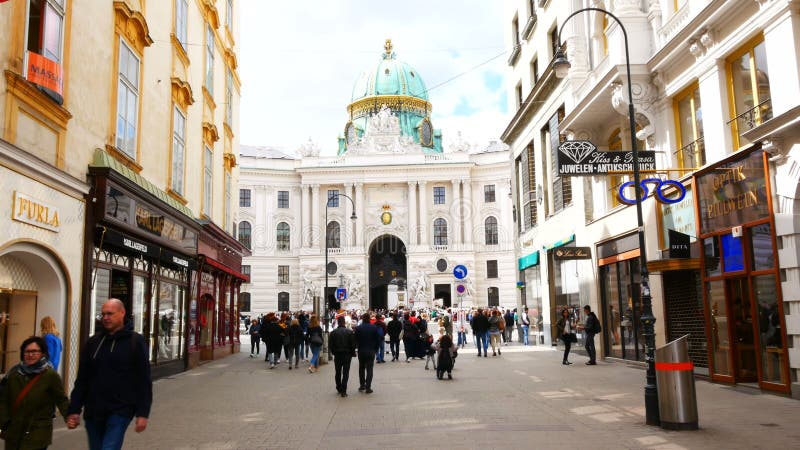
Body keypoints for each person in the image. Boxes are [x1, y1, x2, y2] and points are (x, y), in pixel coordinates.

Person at [67, 298, 152, 450]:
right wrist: (74, 409)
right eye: (103, 314)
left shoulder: (135, 342)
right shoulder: (93, 342)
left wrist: (143, 413)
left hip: (120, 409)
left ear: (122, 313)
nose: (105, 318)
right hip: (93, 411)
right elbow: (82, 379)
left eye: (110, 314)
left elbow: (144, 380)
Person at [0, 336, 70, 450]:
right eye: (27, 351)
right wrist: (4, 423)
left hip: (38, 431)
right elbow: (3, 399)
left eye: (34, 351)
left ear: (42, 353)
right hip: (14, 431)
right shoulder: (13, 374)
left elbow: (61, 399)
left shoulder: (50, 375)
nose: (30, 355)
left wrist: (69, 416)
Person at [328, 316, 356, 397]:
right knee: (346, 373)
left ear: (338, 322)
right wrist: (352, 353)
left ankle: (339, 387)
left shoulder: (333, 333)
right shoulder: (350, 332)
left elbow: (331, 345)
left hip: (337, 354)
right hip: (347, 355)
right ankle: (344, 391)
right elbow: (353, 345)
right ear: (344, 322)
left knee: (338, 372)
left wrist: (334, 352)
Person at [353, 313, 381, 393]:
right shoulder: (374, 327)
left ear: (362, 318)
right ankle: (368, 387)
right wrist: (376, 349)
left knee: (361, 368)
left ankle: (362, 385)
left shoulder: (358, 328)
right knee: (370, 369)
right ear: (369, 319)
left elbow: (355, 340)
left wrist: (356, 348)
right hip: (371, 351)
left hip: (361, 351)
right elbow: (378, 340)